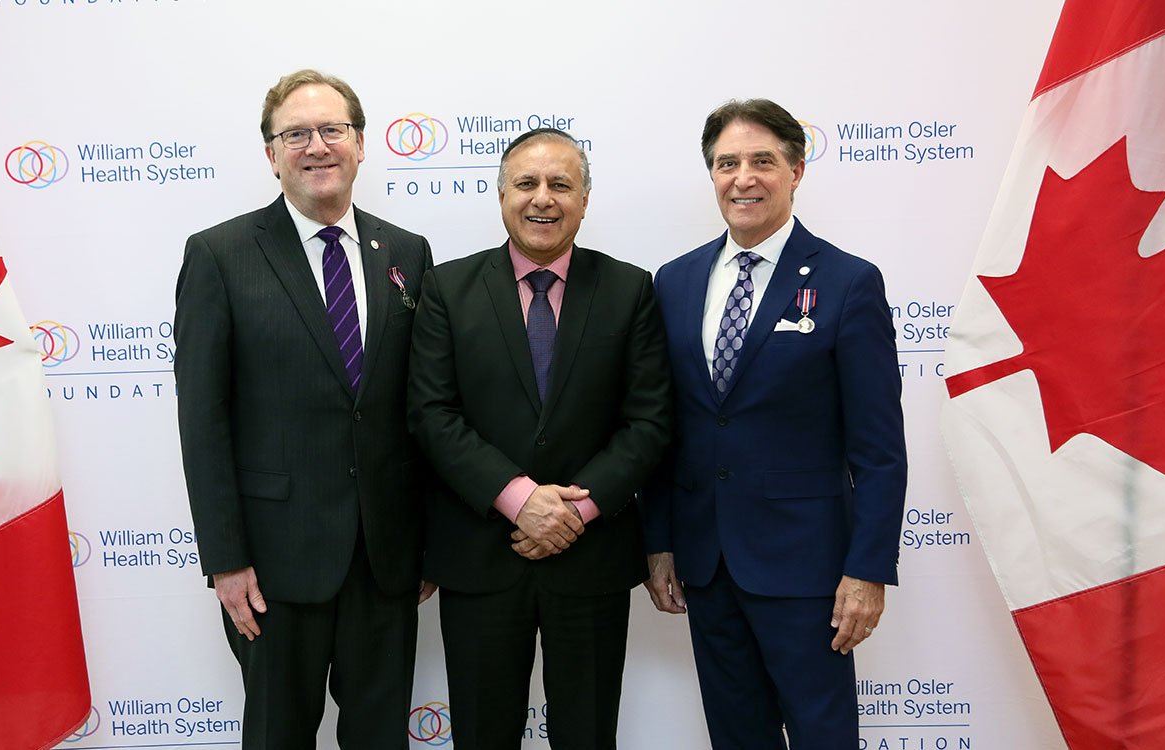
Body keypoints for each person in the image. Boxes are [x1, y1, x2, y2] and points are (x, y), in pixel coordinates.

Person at [174, 69, 434, 750]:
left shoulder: (406, 253)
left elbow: (420, 410)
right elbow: (203, 422)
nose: (316, 146)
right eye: (296, 134)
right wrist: (225, 560)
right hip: (273, 566)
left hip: (384, 559)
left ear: (360, 143)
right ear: (271, 154)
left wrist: (426, 542)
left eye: (332, 130)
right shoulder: (220, 255)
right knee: (277, 736)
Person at [643, 98, 907, 749]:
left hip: (808, 567)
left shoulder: (849, 283)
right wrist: (659, 541)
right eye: (727, 163)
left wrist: (867, 569)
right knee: (737, 736)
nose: (744, 177)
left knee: (822, 735)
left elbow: (878, 450)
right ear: (712, 175)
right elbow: (662, 427)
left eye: (763, 161)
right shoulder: (673, 283)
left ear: (796, 168)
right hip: (706, 562)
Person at [407, 127, 672, 750]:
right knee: (482, 734)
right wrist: (518, 496)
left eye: (561, 184)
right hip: (480, 558)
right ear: (501, 197)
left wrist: (575, 509)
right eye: (526, 183)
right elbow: (431, 414)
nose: (542, 199)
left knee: (588, 734)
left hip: (592, 560)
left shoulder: (630, 290)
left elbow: (650, 420)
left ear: (584, 199)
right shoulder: (447, 290)